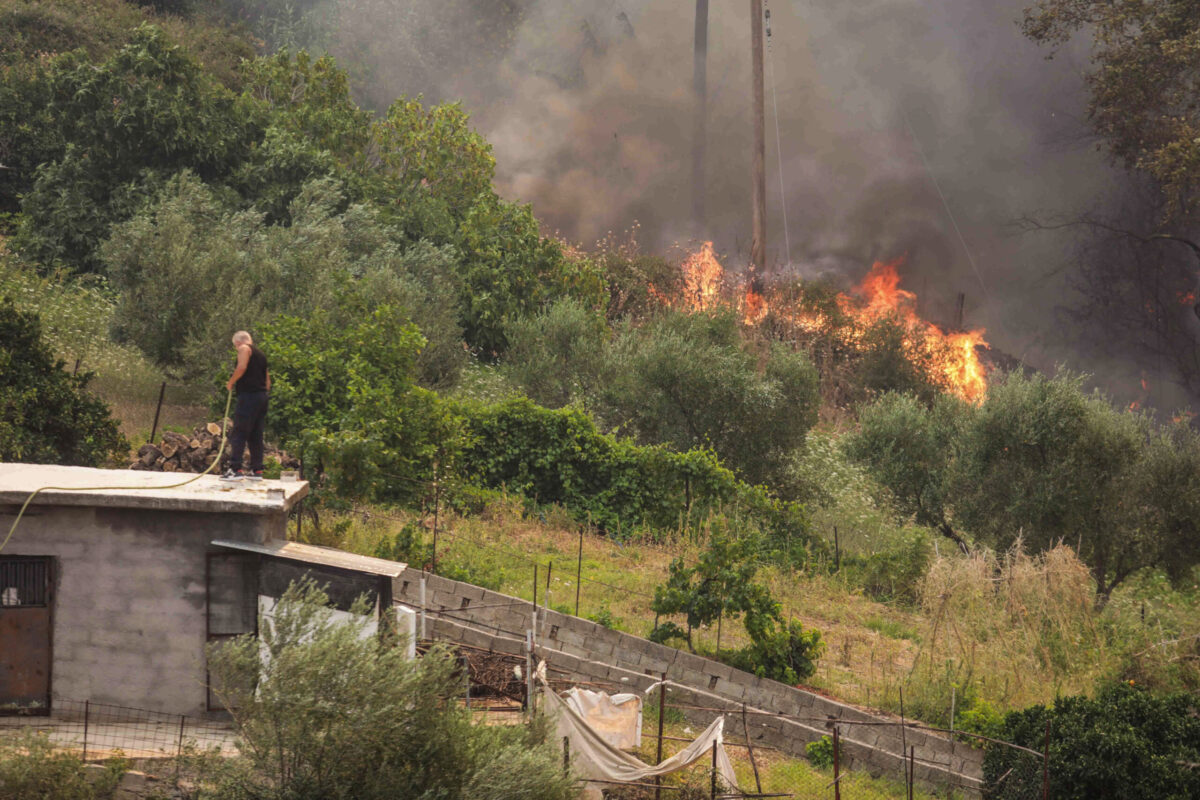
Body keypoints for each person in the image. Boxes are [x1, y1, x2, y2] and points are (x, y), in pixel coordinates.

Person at [220, 331, 270, 482]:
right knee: (256, 434)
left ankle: (235, 469)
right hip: (262, 397)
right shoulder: (261, 355)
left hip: (249, 396)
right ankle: (257, 470)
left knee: (239, 432)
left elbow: (241, 367)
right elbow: (268, 381)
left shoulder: (244, 349)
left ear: (237, 342)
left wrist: (231, 382)